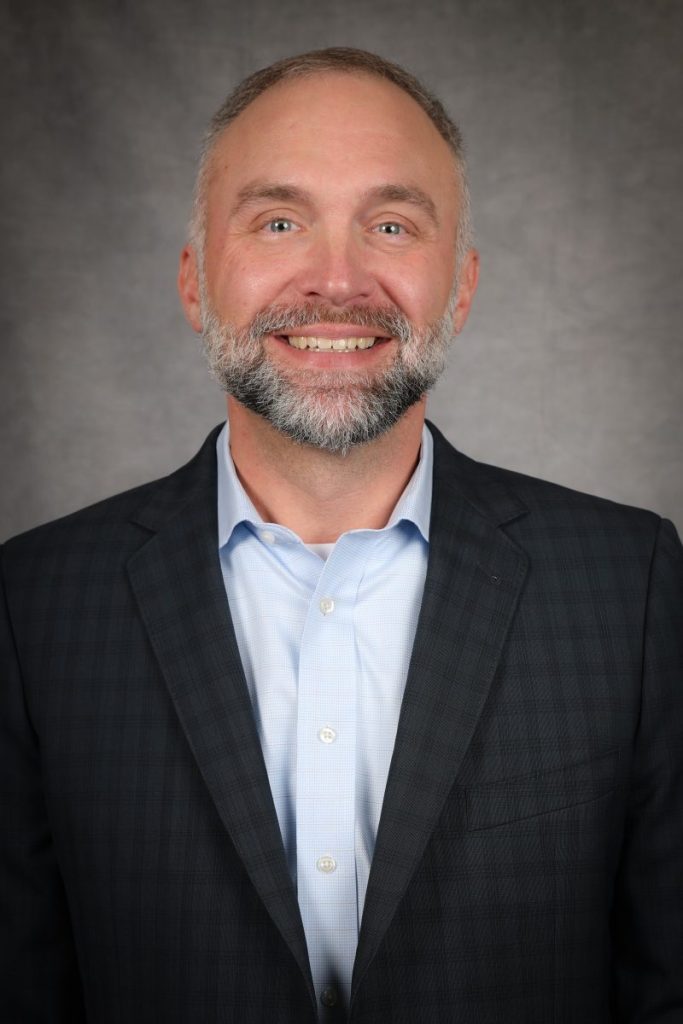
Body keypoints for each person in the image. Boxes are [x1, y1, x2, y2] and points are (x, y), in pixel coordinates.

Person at [1, 47, 681, 1024]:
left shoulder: (630, 586)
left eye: (390, 225)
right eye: (278, 221)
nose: (335, 279)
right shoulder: (32, 606)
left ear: (461, 287)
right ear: (195, 283)